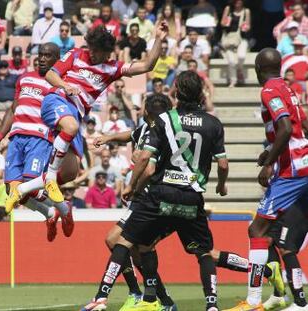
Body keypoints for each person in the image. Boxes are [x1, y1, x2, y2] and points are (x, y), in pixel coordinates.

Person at [82, 81, 229, 310]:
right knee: (141, 246)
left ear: (148, 113)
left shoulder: (161, 127)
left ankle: (140, 297)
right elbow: (130, 135)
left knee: (125, 242)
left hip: (155, 196)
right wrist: (108, 138)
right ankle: (157, 298)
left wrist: (133, 181)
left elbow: (149, 167)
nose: (140, 113)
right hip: (175, 195)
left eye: (143, 110)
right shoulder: (148, 128)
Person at [6, 23, 168, 209]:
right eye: (91, 48)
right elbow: (51, 74)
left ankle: (34, 194)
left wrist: (158, 38)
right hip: (56, 101)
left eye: (96, 51)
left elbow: (147, 65)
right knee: (71, 128)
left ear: (106, 53)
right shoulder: (75, 54)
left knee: (70, 172)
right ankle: (48, 180)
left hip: (74, 114)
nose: (91, 53)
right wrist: (65, 86)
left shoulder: (112, 68)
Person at [226, 48, 308, 311]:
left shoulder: (269, 90)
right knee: (279, 239)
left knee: (257, 230)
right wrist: (271, 150)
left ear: (258, 69)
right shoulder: (289, 89)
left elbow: (285, 127)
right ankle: (289, 298)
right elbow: (300, 126)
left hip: (291, 171)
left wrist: (271, 162)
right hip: (302, 162)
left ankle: (252, 301)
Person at [0, 43, 74, 242]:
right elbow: (13, 109)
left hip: (39, 139)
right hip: (16, 137)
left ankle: (64, 208)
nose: (42, 58)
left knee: (30, 185)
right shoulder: (24, 78)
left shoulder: (60, 83)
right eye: (40, 54)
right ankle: (50, 214)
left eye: (47, 55)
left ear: (57, 60)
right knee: (12, 190)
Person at [220, 0, 251, 87]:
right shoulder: (228, 9)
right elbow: (222, 23)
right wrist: (226, 22)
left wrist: (244, 27)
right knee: (232, 61)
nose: (238, 2)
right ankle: (233, 80)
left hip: (241, 38)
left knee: (241, 56)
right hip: (229, 38)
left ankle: (239, 70)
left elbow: (248, 26)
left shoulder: (246, 11)